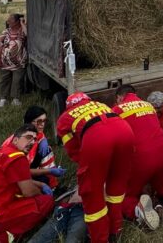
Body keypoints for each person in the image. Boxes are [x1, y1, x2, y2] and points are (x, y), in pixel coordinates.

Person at [56, 92, 135, 243]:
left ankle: (100, 238)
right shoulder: (101, 105)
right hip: (125, 132)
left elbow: (74, 151)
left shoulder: (64, 118)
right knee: (117, 187)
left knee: (92, 195)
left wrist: (92, 168)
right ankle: (115, 231)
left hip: (98, 139)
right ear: (88, 100)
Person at [112, 85, 163, 226]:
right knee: (159, 177)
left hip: (141, 158)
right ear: (135, 94)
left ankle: (137, 210)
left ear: (119, 97)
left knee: (125, 193)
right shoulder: (148, 105)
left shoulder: (117, 110)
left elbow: (116, 140)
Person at [3, 106, 63, 189]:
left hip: (24, 169)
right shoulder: (19, 144)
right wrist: (46, 176)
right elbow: (20, 172)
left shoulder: (32, 133)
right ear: (29, 122)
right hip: (12, 177)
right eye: (39, 121)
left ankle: (53, 185)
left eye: (44, 121)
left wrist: (43, 140)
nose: (42, 124)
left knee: (47, 150)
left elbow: (40, 135)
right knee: (40, 186)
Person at [0, 13, 26, 108]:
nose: (8, 22)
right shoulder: (6, 32)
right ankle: (3, 99)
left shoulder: (22, 31)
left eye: (11, 20)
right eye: (8, 20)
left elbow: (28, 34)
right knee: (4, 80)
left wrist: (22, 23)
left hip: (18, 62)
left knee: (17, 81)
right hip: (5, 62)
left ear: (17, 22)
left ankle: (15, 99)